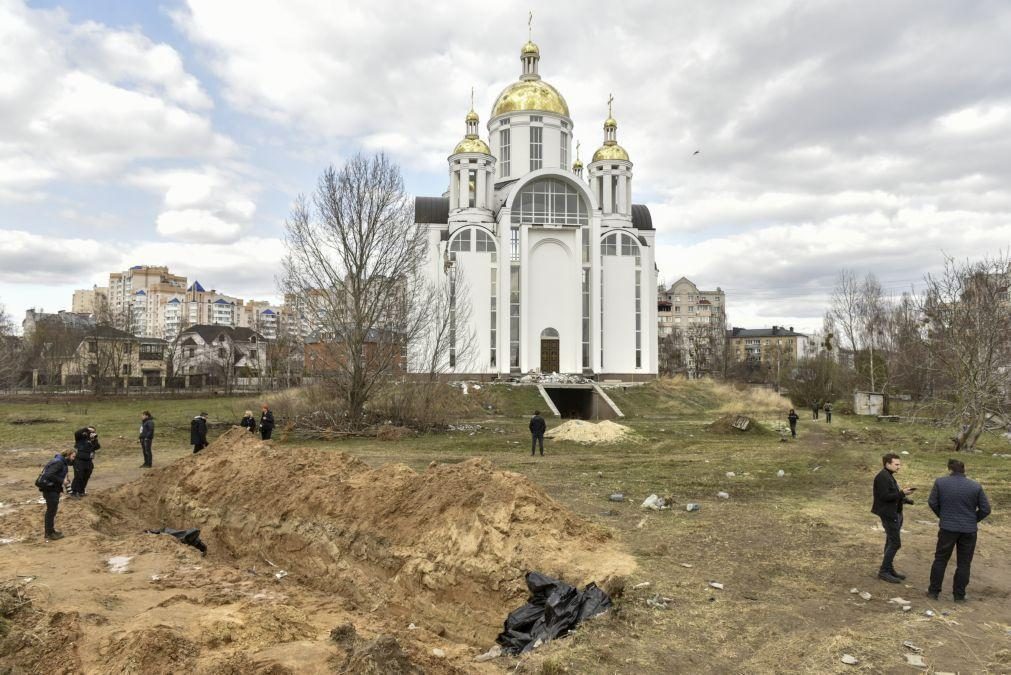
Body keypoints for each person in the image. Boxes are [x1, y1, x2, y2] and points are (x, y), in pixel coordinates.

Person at [926, 459, 991, 602]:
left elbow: (932, 502)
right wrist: (973, 519)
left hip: (947, 528)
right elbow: (986, 509)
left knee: (940, 559)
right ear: (964, 470)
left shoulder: (940, 482)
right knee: (964, 563)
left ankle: (933, 592)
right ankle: (959, 596)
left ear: (950, 469)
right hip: (968, 530)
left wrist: (942, 515)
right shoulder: (975, 486)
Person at [871, 453, 915, 583]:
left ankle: (888, 568)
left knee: (890, 541)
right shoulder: (882, 477)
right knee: (895, 543)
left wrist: (905, 499)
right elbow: (885, 496)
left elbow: (892, 494)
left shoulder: (888, 475)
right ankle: (884, 571)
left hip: (895, 513)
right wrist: (901, 493)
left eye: (899, 464)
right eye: (896, 464)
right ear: (887, 464)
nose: (899, 467)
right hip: (889, 514)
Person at [37, 448, 76, 540]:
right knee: (51, 511)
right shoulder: (59, 462)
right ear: (68, 455)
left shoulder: (61, 462)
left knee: (52, 511)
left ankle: (51, 531)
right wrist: (62, 480)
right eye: (73, 456)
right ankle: (49, 533)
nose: (74, 459)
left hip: (52, 489)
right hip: (50, 489)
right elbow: (49, 475)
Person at [69, 426, 99, 497]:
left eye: (93, 432)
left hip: (88, 461)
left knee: (86, 476)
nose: (91, 433)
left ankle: (81, 491)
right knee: (79, 476)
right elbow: (76, 433)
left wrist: (94, 440)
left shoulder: (92, 440)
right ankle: (74, 492)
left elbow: (97, 447)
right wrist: (86, 429)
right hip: (79, 461)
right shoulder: (80, 438)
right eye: (90, 432)